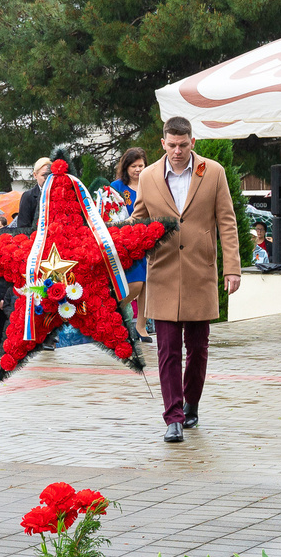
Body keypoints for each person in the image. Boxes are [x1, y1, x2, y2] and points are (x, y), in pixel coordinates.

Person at [134, 117, 241, 443]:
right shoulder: (150, 176)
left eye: (183, 145)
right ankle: (174, 418)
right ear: (163, 144)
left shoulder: (214, 172)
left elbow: (227, 221)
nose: (178, 150)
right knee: (167, 350)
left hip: (200, 272)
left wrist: (232, 268)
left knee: (197, 347)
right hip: (163, 274)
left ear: (192, 142)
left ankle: (192, 402)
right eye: (172, 145)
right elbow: (138, 221)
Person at [98, 148, 154, 341]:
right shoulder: (116, 186)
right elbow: (108, 215)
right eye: (134, 166)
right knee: (136, 284)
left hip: (150, 239)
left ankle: (141, 327)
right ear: (126, 167)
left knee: (149, 285)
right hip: (126, 242)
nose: (138, 170)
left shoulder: (152, 183)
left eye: (141, 166)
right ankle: (110, 312)